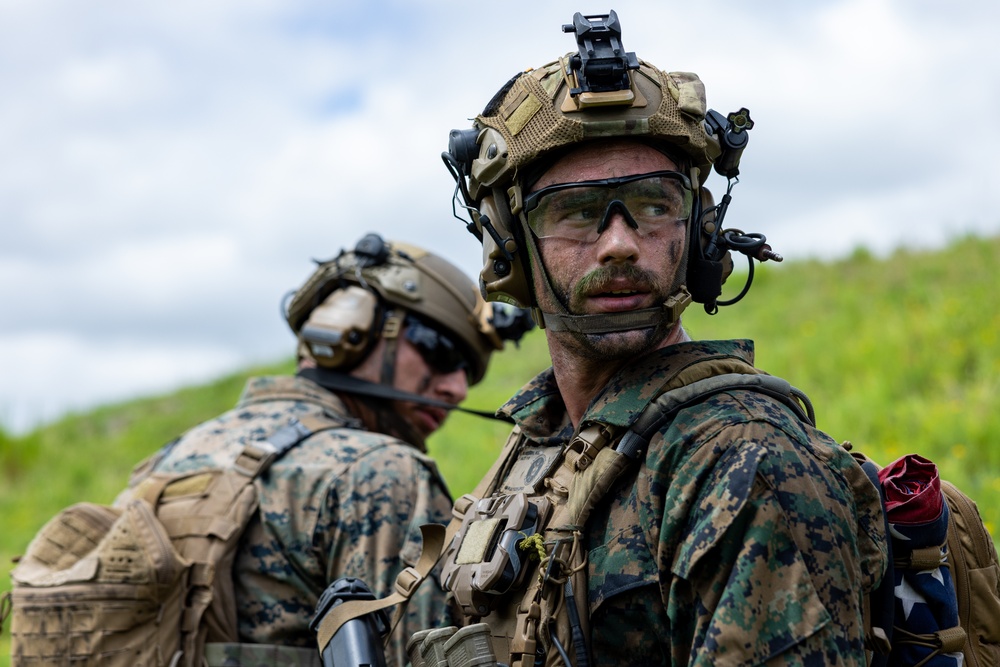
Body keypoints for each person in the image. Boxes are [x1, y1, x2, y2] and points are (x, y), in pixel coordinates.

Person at [433, 11, 889, 666]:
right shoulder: (540, 442)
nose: (620, 243)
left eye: (652, 204)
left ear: (697, 232)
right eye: (577, 211)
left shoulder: (747, 465)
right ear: (510, 247)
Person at [116, 233, 525, 667]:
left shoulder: (171, 456)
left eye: (469, 374)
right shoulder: (381, 471)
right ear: (352, 329)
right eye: (440, 352)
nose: (457, 388)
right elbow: (418, 654)